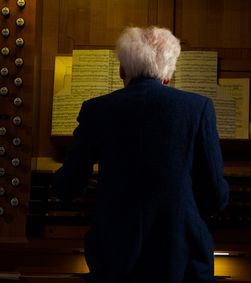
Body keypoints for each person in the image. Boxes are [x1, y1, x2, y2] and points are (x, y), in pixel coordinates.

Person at [52, 26, 230, 283]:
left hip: (113, 262)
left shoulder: (96, 110)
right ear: (168, 74)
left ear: (122, 70)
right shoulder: (198, 107)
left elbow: (66, 187)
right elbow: (215, 198)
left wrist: (95, 187)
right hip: (181, 263)